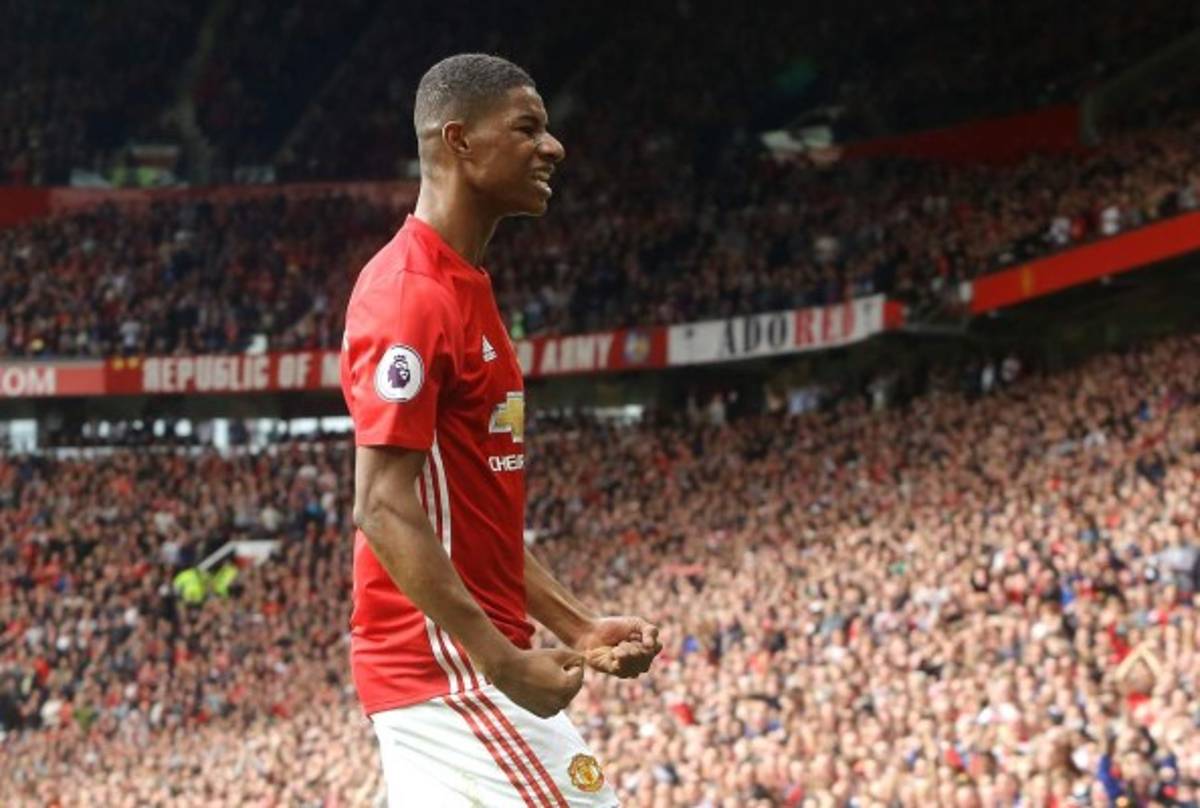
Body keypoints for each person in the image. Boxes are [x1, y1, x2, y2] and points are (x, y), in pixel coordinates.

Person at [339, 53, 662, 808]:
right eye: (527, 128)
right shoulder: (410, 296)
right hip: (451, 673)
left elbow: (471, 520)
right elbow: (381, 504)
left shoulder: (465, 285)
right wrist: (501, 661)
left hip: (453, 669)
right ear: (459, 141)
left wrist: (575, 625)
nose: (554, 147)